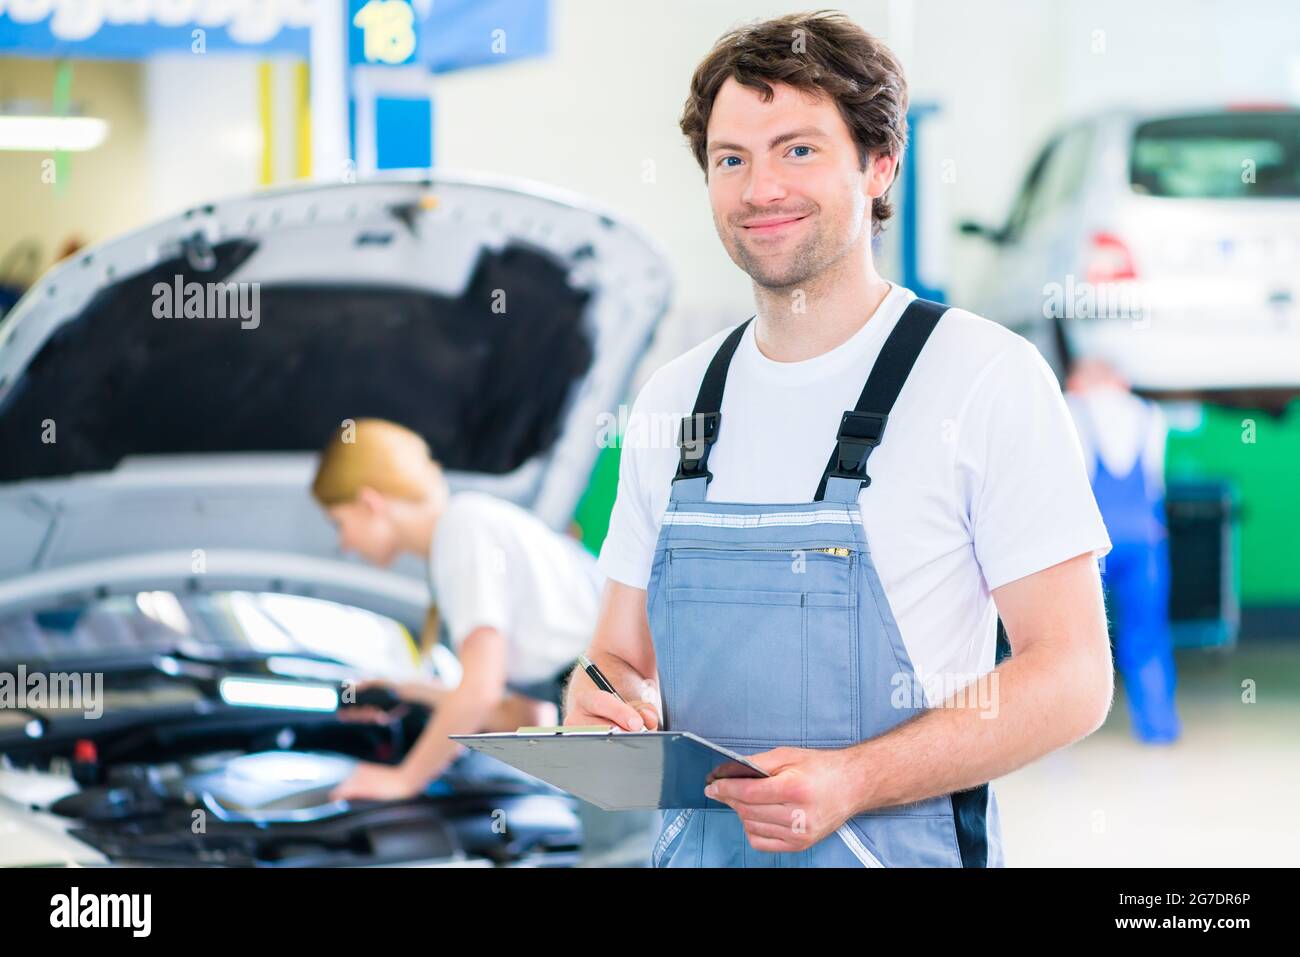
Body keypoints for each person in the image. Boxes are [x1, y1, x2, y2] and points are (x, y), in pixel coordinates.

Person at [562, 11, 1115, 867]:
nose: (760, 189)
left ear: (878, 163)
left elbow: (1073, 676)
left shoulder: (981, 376)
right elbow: (617, 656)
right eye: (730, 159)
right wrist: (599, 700)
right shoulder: (673, 401)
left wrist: (855, 778)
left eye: (799, 149)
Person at [309, 418, 657, 866]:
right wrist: (410, 693)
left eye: (340, 523)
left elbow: (480, 691)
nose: (344, 543)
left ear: (370, 503)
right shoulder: (468, 526)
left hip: (623, 724)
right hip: (616, 727)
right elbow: (524, 713)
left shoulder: (463, 530)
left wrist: (402, 780)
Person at [1066, 359, 1182, 744]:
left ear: (1080, 380)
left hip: (1090, 542)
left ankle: (1060, 732)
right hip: (1144, 538)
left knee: (1071, 638)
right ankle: (1158, 728)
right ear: (1122, 380)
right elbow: (1155, 479)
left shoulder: (1070, 408)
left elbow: (1067, 479)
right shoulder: (1150, 415)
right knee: (1147, 632)